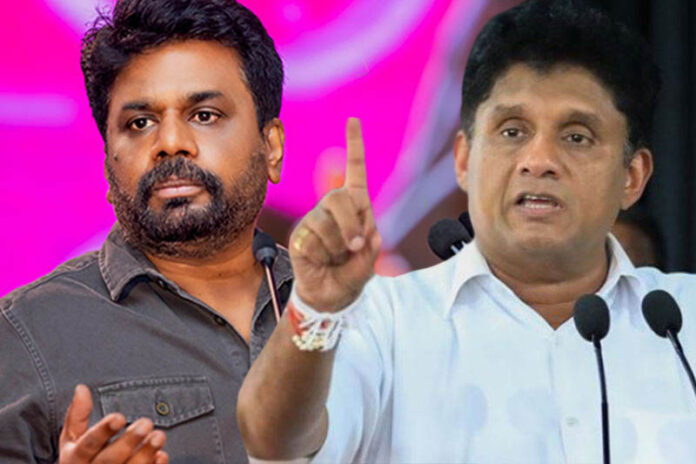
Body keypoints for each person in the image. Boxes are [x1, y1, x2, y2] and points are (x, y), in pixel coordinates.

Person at [238, 0, 696, 462]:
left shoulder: (685, 324)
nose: (539, 161)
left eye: (576, 137)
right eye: (512, 131)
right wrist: (313, 309)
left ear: (632, 177)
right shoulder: (383, 320)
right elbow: (272, 443)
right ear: (463, 160)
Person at [0, 0, 290, 462]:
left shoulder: (357, 313)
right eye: (140, 123)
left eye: (204, 115)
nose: (170, 143)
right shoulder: (24, 334)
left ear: (271, 146)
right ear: (108, 163)